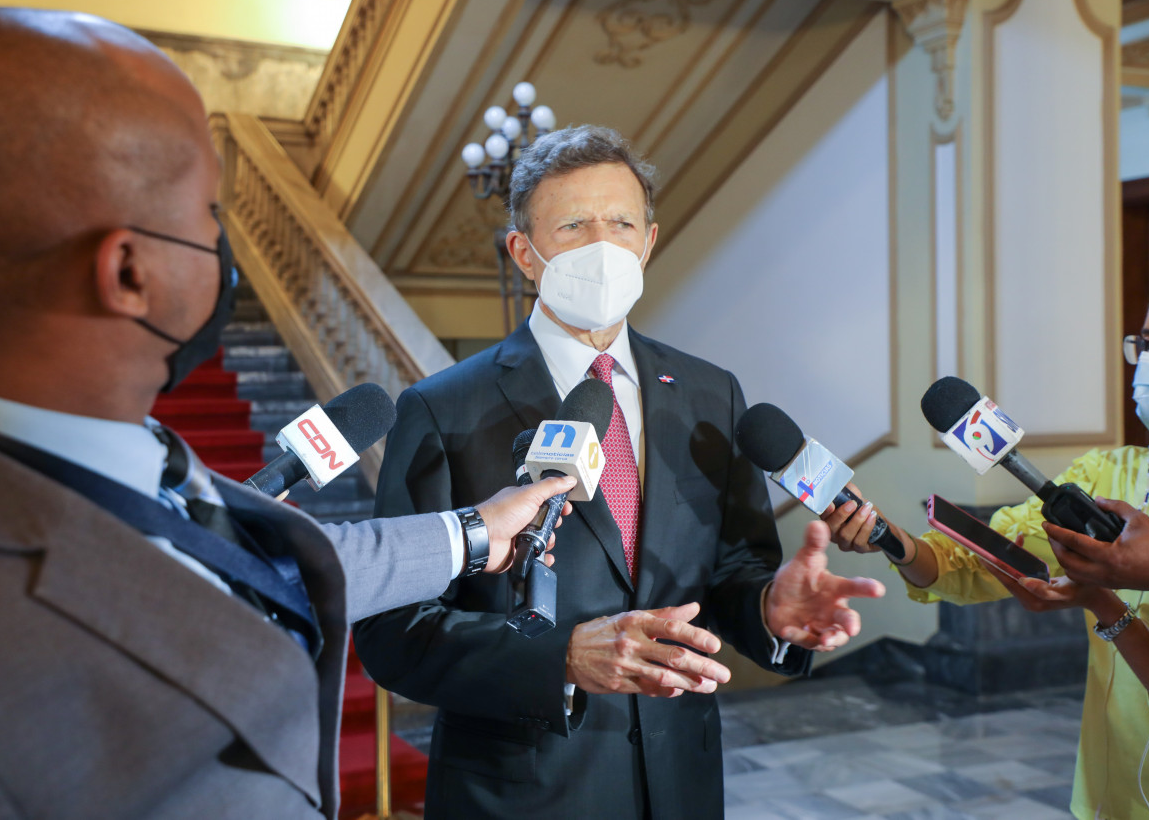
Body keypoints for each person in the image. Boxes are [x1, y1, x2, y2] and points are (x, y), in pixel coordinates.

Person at [0, 8, 578, 820]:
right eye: (209, 213)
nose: (224, 244)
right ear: (129, 272)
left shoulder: (117, 445)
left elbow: (256, 566)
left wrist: (475, 530)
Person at [353, 125, 885, 819]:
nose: (602, 246)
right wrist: (561, 658)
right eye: (573, 226)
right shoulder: (444, 407)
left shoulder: (710, 394)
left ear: (649, 242)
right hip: (520, 791)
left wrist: (769, 611)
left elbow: (731, 572)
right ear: (524, 252)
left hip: (680, 782)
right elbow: (393, 630)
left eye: (621, 223)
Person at [825, 262, 1149, 819]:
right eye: (1146, 344)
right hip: (1111, 798)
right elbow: (977, 562)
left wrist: (1135, 591)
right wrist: (894, 542)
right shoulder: (1114, 476)